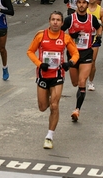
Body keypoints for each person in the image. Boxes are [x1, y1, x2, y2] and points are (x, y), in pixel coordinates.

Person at [27, 11, 79, 149]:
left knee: (54, 105)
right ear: (49, 21)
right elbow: (30, 51)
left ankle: (49, 136)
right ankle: (50, 100)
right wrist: (40, 64)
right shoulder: (40, 36)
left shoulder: (65, 37)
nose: (55, 22)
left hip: (57, 76)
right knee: (43, 107)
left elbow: (75, 53)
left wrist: (70, 63)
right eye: (53, 20)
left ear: (62, 23)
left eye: (58, 20)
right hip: (43, 76)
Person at [61, 0, 102, 122]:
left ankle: (77, 110)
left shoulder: (91, 19)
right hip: (73, 54)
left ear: (87, 4)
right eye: (79, 2)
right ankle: (79, 96)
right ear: (76, 4)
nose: (81, 5)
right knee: (75, 83)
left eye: (84, 2)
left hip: (86, 53)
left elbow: (99, 27)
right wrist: (70, 36)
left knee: (82, 81)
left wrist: (99, 36)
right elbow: (60, 33)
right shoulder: (70, 19)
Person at [87, 0, 103, 91]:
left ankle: (90, 82)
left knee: (92, 61)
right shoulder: (83, 8)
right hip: (83, 38)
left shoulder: (101, 10)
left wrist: (100, 23)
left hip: (95, 38)